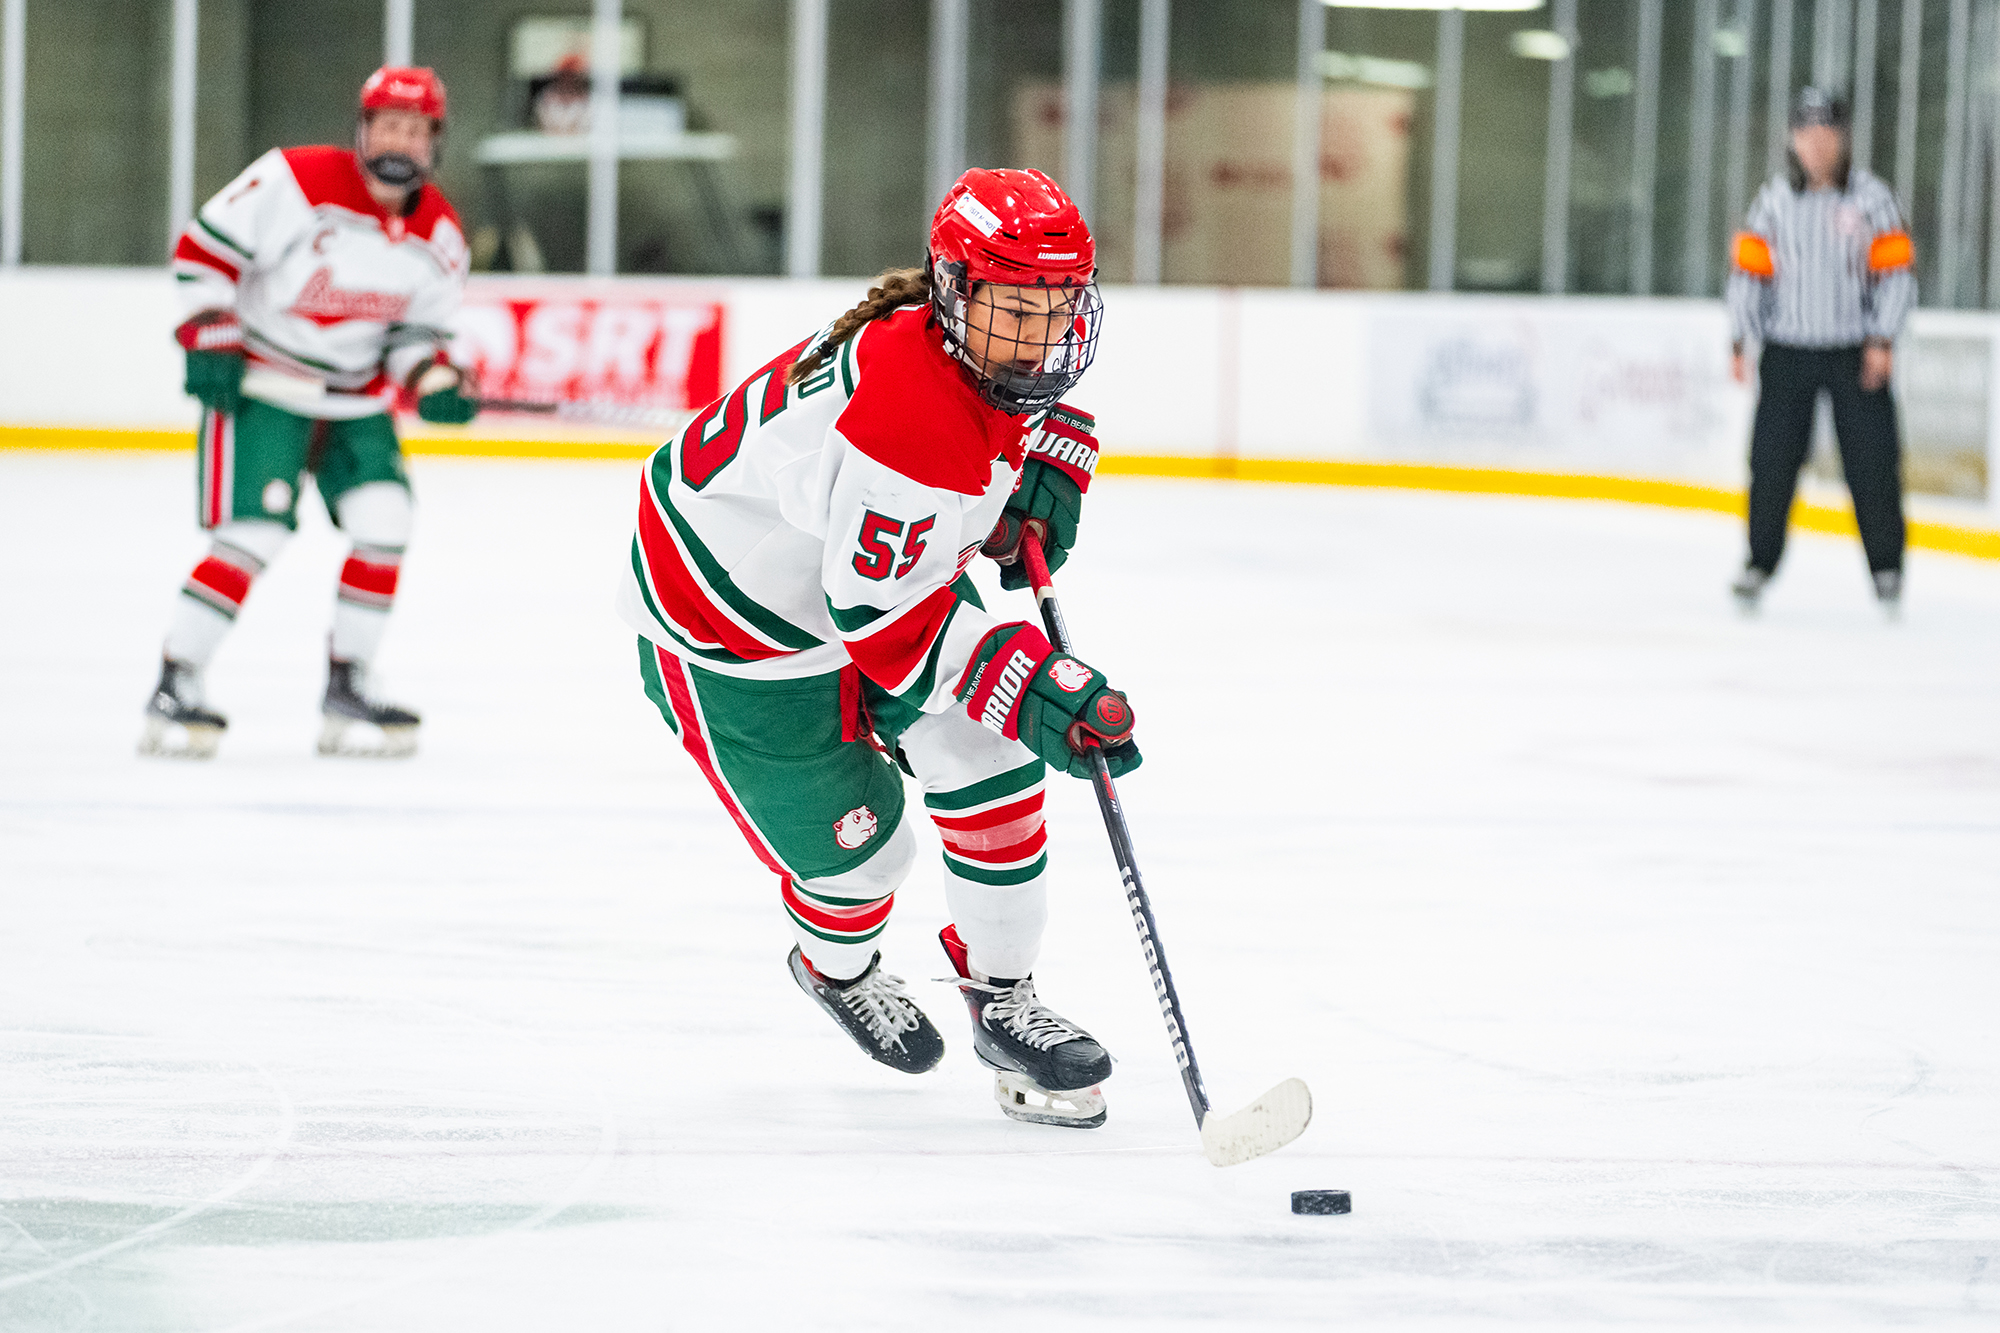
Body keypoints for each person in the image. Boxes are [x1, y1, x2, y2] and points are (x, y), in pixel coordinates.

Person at [618, 168, 1138, 1129]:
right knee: (866, 860)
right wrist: (1033, 681)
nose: (1043, 336)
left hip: (862, 569)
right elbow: (885, 625)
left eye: (1060, 306)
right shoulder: (907, 415)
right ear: (956, 291)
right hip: (737, 629)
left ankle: (1004, 999)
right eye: (1019, 308)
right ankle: (834, 967)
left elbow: (927, 518)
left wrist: (1042, 454)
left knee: (989, 753)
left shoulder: (963, 349)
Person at [142, 66, 480, 759]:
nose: (401, 141)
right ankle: (177, 680)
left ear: (435, 141)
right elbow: (203, 250)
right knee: (252, 537)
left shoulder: (441, 236)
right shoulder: (296, 180)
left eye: (416, 130)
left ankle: (349, 682)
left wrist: (434, 378)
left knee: (386, 522)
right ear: (363, 128)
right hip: (268, 387)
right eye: (388, 125)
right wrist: (209, 327)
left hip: (355, 401)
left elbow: (415, 339)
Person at [1727, 86, 1916, 616]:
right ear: (1793, 139)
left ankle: (1887, 568)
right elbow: (1749, 275)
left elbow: (1896, 274)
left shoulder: (1873, 199)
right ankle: (1759, 563)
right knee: (1771, 463)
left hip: (1855, 351)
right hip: (1787, 350)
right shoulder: (1772, 201)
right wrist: (1740, 337)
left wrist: (1882, 338)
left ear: (1843, 138)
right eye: (1807, 134)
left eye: (1827, 134)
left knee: (1873, 464)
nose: (1818, 145)